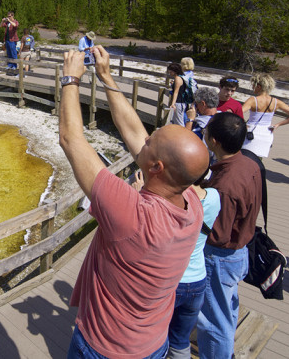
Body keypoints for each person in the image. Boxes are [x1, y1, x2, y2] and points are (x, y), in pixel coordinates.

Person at [60, 45, 210, 359]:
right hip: (152, 344)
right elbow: (137, 137)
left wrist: (70, 81)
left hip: (103, 348)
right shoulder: (192, 204)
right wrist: (105, 76)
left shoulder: (131, 214)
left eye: (152, 139)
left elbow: (71, 140)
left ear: (156, 168)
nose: (146, 136)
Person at [196, 113, 262, 359]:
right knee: (227, 307)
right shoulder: (249, 163)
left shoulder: (226, 185)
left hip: (219, 257)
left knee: (213, 322)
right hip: (238, 252)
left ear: (214, 141)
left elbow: (218, 234)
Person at [167, 181, 221, 359]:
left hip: (172, 282)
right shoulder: (214, 196)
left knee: (155, 338)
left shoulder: (172, 203)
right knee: (180, 340)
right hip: (198, 280)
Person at [241, 73, 289, 158]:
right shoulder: (276, 102)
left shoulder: (253, 100)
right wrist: (278, 125)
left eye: (253, 85)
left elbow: (239, 112)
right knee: (258, 160)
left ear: (259, 86)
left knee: (245, 157)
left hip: (252, 131)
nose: (252, 87)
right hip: (267, 132)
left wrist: (243, 124)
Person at [168, 63, 191, 127]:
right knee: (177, 121)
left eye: (170, 71)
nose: (169, 73)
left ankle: (183, 135)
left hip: (179, 103)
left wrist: (173, 104)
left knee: (179, 123)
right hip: (182, 103)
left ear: (175, 71)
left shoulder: (177, 78)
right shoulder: (181, 78)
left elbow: (176, 92)